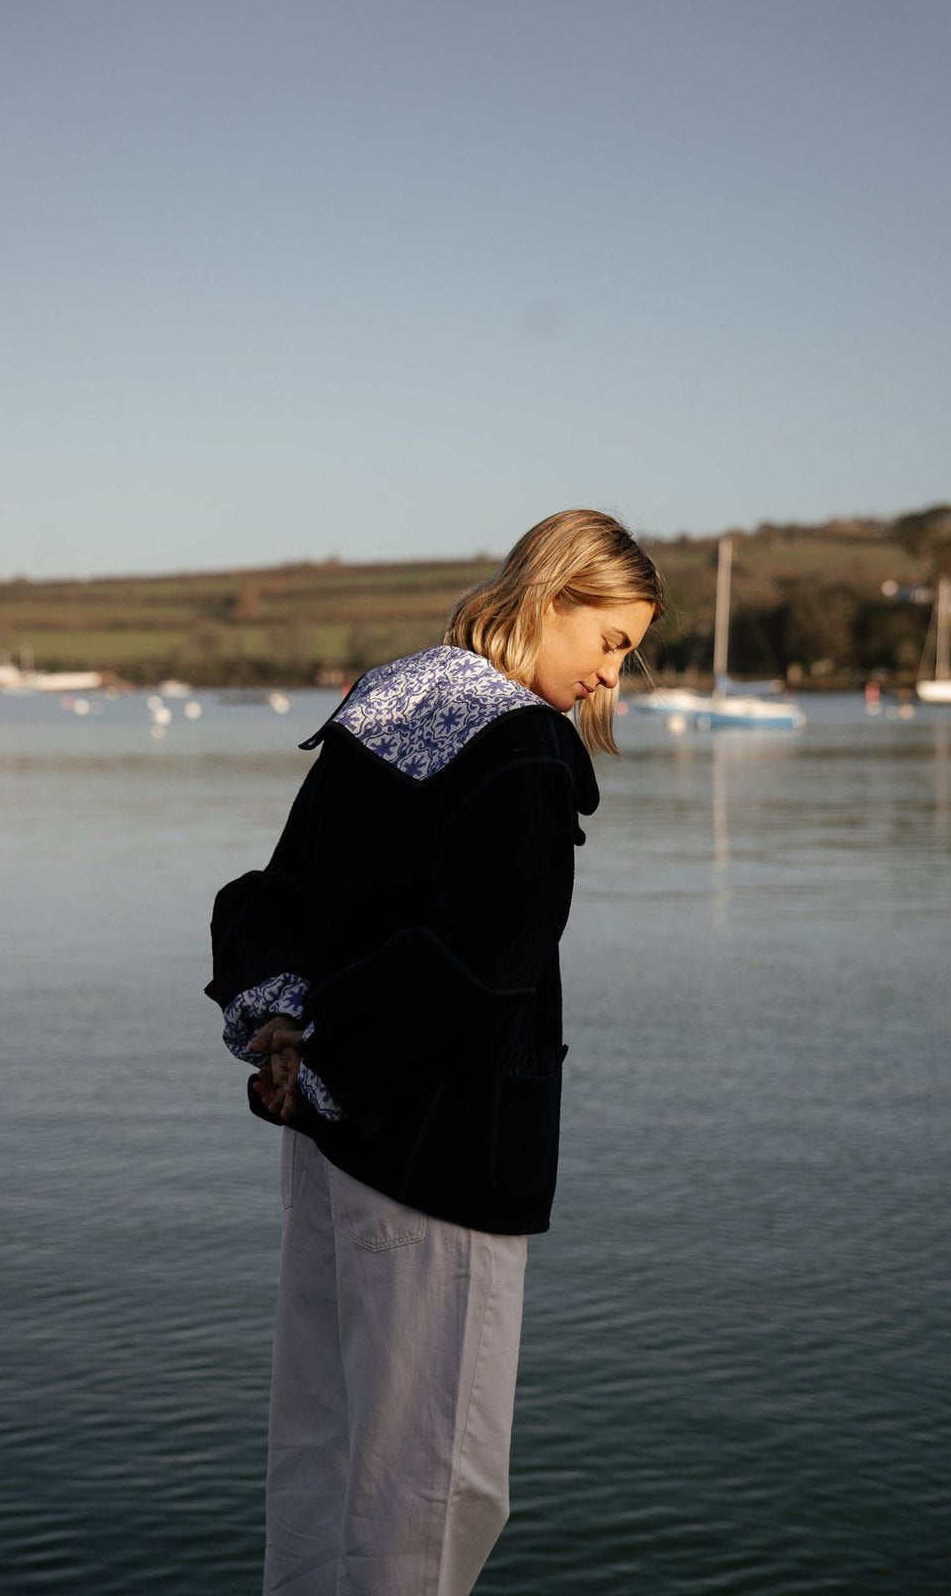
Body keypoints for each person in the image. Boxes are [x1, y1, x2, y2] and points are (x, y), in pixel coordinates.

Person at [205, 508, 664, 1596]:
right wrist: (327, 1053)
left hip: (326, 1138)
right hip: (439, 1147)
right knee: (435, 1480)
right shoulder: (520, 743)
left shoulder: (391, 702)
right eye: (610, 642)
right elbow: (488, 961)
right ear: (553, 598)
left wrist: (285, 1028)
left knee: (320, 1445)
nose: (608, 678)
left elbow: (281, 897)